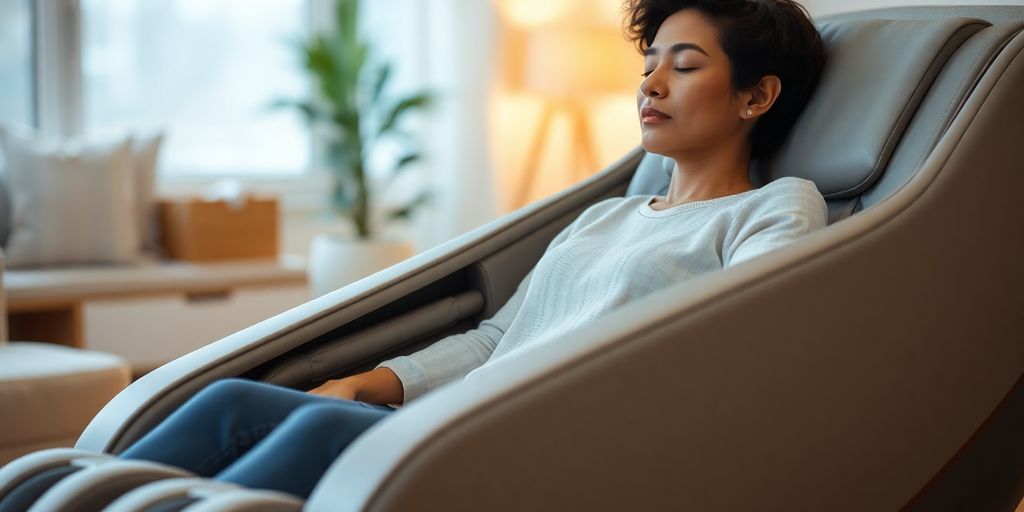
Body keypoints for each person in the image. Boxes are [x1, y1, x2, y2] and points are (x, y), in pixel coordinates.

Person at [0, 0, 829, 506]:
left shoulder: (776, 208)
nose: (649, 84)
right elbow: (495, 339)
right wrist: (374, 380)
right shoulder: (606, 217)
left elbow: (738, 340)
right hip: (455, 413)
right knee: (225, 404)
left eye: (683, 67)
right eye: (648, 65)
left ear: (757, 96)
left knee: (295, 450)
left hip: (548, 436)